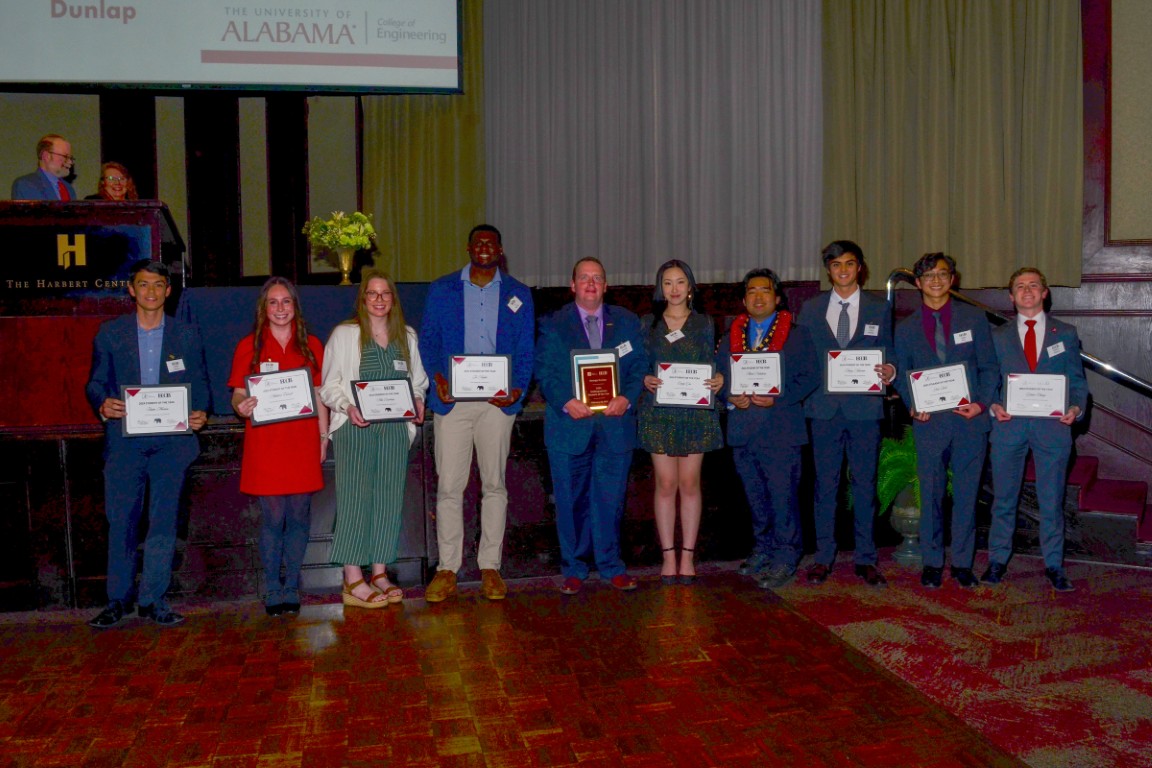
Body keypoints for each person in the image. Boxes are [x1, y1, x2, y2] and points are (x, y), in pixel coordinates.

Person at [85, 260, 210, 628]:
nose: (151, 291)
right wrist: (102, 403)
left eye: (158, 285)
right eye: (143, 284)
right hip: (125, 443)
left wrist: (200, 411)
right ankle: (117, 600)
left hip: (172, 444)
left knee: (163, 523)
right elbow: (95, 382)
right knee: (121, 521)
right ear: (131, 289)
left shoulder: (186, 334)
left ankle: (153, 599)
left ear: (168, 290)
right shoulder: (110, 333)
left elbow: (200, 382)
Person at [419, 225, 535, 602]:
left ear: (500, 250)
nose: (484, 247)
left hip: (497, 404)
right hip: (453, 400)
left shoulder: (518, 294)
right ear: (469, 248)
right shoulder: (442, 289)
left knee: (494, 485)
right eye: (478, 242)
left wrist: (517, 388)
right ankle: (447, 568)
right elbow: (428, 341)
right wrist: (437, 378)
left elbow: (526, 348)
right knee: (449, 487)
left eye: (491, 243)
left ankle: (490, 567)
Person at [534, 257, 648, 594]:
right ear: (573, 285)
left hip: (614, 426)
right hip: (570, 426)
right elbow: (545, 371)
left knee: (611, 501)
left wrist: (627, 397)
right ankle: (574, 568)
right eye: (584, 277)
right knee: (570, 502)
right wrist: (565, 401)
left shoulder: (626, 321)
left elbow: (639, 365)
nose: (591, 283)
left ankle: (611, 566)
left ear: (606, 285)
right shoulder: (553, 323)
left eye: (597, 278)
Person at [319, 269, 427, 608]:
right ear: (363, 299)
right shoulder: (345, 334)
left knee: (388, 499)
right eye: (372, 293)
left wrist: (418, 400)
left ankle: (379, 573)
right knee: (355, 499)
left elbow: (418, 382)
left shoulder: (406, 335)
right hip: (356, 428)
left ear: (393, 299)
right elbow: (328, 385)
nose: (379, 299)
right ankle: (352, 577)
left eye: (385, 293)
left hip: (394, 429)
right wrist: (347, 406)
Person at [893, 253, 998, 589]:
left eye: (942, 274)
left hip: (969, 423)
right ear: (918, 283)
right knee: (931, 496)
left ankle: (963, 564)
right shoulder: (905, 328)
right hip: (929, 424)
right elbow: (902, 375)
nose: (935, 280)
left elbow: (989, 367)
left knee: (967, 496)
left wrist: (981, 404)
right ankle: (933, 562)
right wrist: (913, 404)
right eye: (928, 275)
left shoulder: (974, 318)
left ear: (953, 279)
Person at [798, 241, 896, 587]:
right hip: (824, 410)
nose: (843, 270)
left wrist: (891, 369)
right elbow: (802, 357)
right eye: (836, 264)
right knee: (825, 485)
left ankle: (866, 558)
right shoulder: (810, 308)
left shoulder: (879, 308)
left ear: (860, 268)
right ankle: (823, 557)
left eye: (849, 264)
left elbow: (890, 351)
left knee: (865, 485)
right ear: (828, 270)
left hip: (864, 410)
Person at [984, 268, 1089, 592]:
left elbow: (1077, 382)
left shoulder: (1066, 333)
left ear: (1045, 292)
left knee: (1051, 501)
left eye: (1033, 285)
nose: (1027, 290)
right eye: (1020, 286)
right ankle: (997, 560)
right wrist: (993, 404)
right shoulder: (997, 336)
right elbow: (989, 380)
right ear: (1011, 296)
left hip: (1052, 430)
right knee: (1003, 500)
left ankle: (1054, 565)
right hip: (1008, 428)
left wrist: (1075, 408)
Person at [228, 278, 329, 616]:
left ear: (295, 306)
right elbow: (238, 393)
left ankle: (291, 585)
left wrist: (324, 437)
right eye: (273, 302)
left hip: (302, 441)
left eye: (286, 301)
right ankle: (273, 586)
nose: (280, 308)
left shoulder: (312, 344)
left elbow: (320, 396)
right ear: (264, 308)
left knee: (299, 515)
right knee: (273, 518)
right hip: (266, 444)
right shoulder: (249, 346)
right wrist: (241, 406)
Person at [719, 268, 818, 589]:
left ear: (777, 298)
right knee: (755, 497)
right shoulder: (731, 334)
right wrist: (728, 394)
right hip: (743, 429)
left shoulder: (798, 334)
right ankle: (763, 549)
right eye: (751, 291)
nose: (758, 297)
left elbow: (810, 377)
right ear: (744, 300)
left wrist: (778, 396)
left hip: (781, 430)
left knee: (782, 497)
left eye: (765, 291)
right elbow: (719, 377)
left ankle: (787, 555)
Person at [638, 259, 724, 585]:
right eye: (667, 283)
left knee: (689, 484)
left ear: (690, 287)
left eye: (680, 282)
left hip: (694, 413)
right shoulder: (647, 323)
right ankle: (668, 556)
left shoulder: (705, 323)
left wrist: (719, 378)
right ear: (660, 288)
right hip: (658, 413)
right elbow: (637, 365)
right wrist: (644, 378)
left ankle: (688, 556)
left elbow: (715, 363)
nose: (674, 289)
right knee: (665, 484)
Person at [11, 133, 77, 201]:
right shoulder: (26, 185)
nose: (70, 162)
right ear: (46, 156)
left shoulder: (69, 189)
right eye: (65, 156)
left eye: (70, 158)